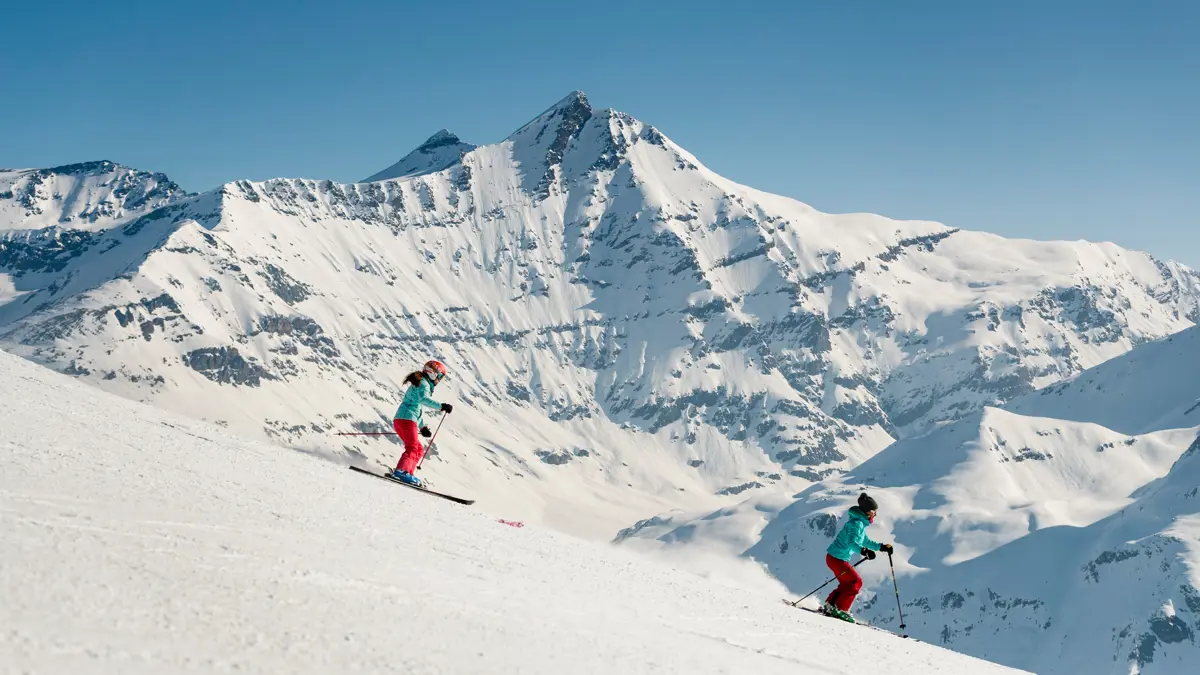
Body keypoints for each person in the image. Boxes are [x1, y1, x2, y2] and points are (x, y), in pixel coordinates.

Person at [822, 492, 895, 623]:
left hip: (835, 557)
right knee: (856, 581)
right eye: (874, 511)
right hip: (836, 558)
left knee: (847, 583)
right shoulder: (856, 524)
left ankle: (831, 605)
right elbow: (852, 543)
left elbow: (864, 541)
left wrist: (881, 547)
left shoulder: (859, 523)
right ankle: (842, 609)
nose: (875, 514)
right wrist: (864, 551)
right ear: (867, 512)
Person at [391, 360, 453, 487]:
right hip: (406, 419)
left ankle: (408, 473)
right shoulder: (423, 384)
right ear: (433, 373)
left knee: (419, 448)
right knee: (412, 447)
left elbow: (417, 409)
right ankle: (401, 472)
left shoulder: (421, 383)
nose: (438, 381)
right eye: (439, 377)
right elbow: (423, 400)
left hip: (405, 419)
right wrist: (442, 406)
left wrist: (422, 427)